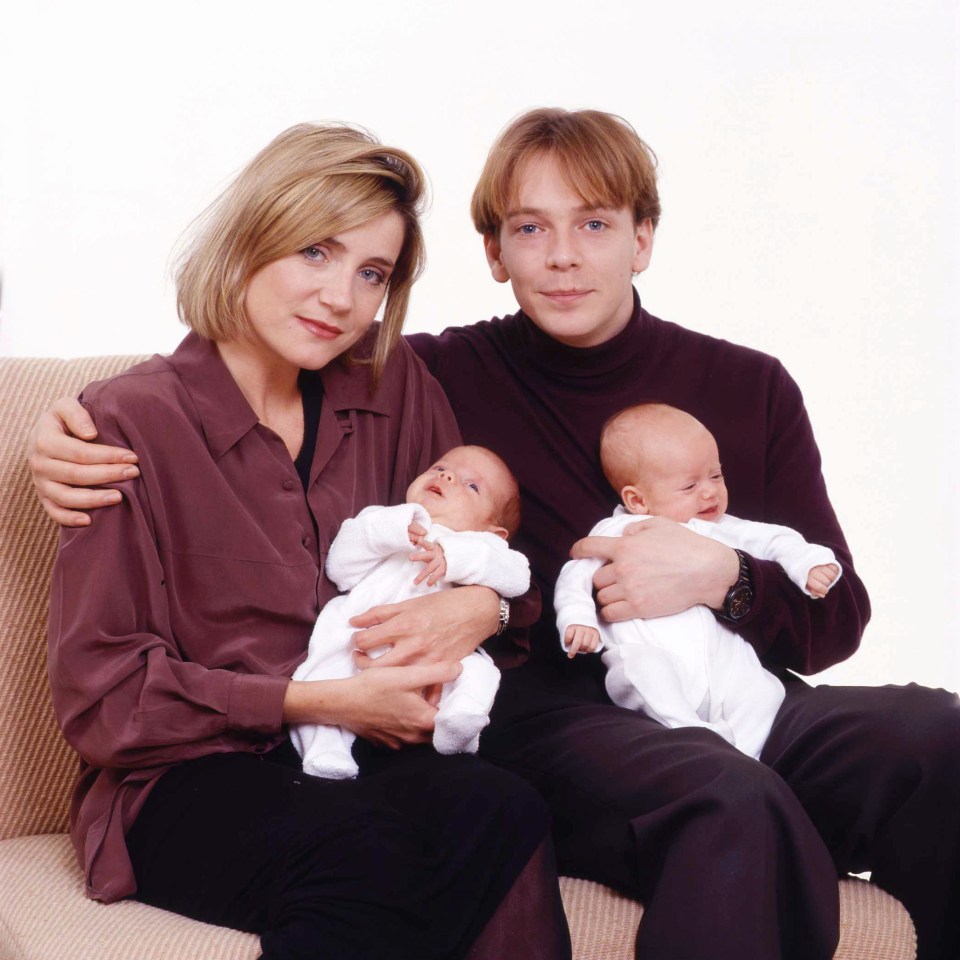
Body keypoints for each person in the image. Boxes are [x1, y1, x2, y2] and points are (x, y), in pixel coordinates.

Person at [28, 108, 960, 960]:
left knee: (935, 737)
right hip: (553, 719)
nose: (562, 257)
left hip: (732, 694)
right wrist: (59, 428)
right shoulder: (437, 377)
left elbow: (835, 625)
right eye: (530, 227)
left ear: (643, 239)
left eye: (594, 224)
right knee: (707, 797)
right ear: (493, 250)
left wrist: (727, 577)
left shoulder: (742, 386)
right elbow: (226, 371)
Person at [41, 122, 571, 960]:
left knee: (504, 806)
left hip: (363, 753)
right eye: (315, 253)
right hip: (186, 778)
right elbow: (104, 698)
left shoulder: (397, 390)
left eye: (372, 274)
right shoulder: (125, 423)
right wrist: (314, 702)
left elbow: (488, 577)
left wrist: (477, 605)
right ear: (252, 239)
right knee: (363, 850)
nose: (341, 299)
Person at [555, 402, 841, 760]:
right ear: (637, 500)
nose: (709, 493)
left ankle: (746, 760)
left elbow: (774, 539)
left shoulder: (721, 529)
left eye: (716, 476)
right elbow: (575, 575)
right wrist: (577, 619)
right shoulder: (618, 532)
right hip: (659, 659)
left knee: (763, 692)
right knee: (637, 670)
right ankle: (694, 736)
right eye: (690, 485)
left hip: (724, 667)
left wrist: (807, 563)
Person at [291, 444, 529, 779]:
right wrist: (392, 531)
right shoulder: (387, 521)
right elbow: (340, 568)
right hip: (360, 641)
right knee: (320, 669)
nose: (446, 476)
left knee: (478, 672)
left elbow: (517, 576)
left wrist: (453, 557)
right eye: (440, 467)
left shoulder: (483, 546)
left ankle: (459, 720)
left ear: (494, 531)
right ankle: (325, 751)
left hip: (438, 659)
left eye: (471, 485)